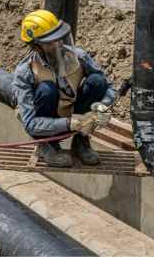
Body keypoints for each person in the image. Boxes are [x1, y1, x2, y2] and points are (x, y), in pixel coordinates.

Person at [13, 10, 115, 167]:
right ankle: (47, 145)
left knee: (97, 81)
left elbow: (108, 86)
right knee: (47, 90)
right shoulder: (25, 72)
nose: (58, 44)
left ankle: (81, 141)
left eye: (58, 38)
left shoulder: (78, 56)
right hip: (49, 123)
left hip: (76, 115)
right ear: (36, 46)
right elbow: (30, 124)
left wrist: (103, 106)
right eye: (50, 42)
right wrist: (68, 123)